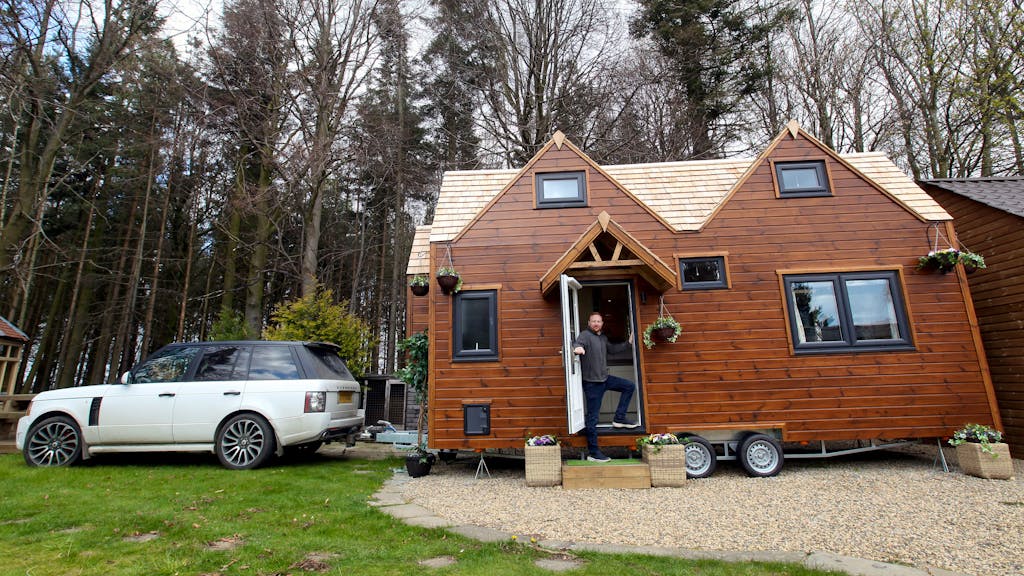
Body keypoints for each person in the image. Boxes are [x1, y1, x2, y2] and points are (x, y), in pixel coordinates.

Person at [572, 311, 639, 462]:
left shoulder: (602, 338)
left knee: (629, 386)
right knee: (593, 418)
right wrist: (577, 349)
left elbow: (613, 350)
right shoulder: (584, 336)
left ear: (602, 323)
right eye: (593, 321)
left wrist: (628, 343)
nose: (596, 323)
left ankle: (619, 418)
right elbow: (577, 344)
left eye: (599, 321)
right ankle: (594, 453)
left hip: (605, 379)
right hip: (592, 383)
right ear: (589, 323)